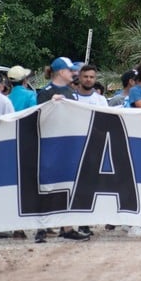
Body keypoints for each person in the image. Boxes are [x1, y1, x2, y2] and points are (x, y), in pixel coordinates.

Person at [34, 57, 89, 243]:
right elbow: (38, 117)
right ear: (60, 72)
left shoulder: (70, 92)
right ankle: (41, 228)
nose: (73, 73)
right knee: (47, 187)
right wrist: (51, 104)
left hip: (68, 145)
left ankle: (67, 227)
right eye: (69, 70)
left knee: (67, 185)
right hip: (50, 146)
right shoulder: (45, 92)